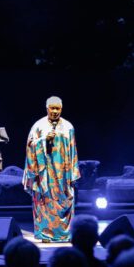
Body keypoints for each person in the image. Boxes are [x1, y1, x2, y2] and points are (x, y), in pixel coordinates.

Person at [23, 96, 80, 242]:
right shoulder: (38, 126)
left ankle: (64, 234)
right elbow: (30, 146)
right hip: (45, 174)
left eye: (58, 108)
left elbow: (73, 150)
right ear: (47, 108)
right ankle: (45, 234)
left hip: (63, 174)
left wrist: (73, 173)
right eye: (52, 108)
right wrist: (44, 140)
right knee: (44, 202)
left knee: (65, 200)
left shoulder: (68, 127)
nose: (55, 111)